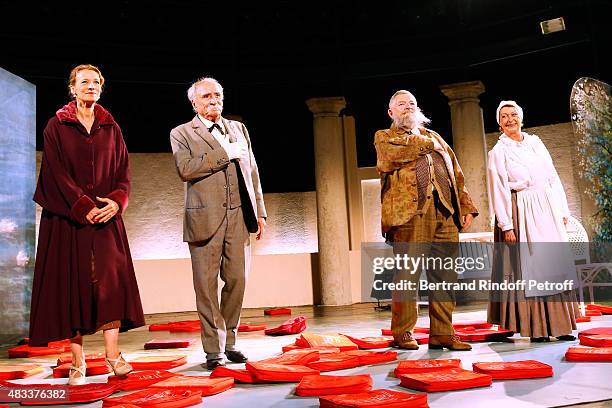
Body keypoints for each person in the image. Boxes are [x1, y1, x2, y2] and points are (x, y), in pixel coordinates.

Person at [30, 64, 144, 385]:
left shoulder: (112, 127)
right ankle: (78, 360)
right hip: (69, 220)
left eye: (96, 82)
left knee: (109, 283)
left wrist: (117, 201)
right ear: (73, 88)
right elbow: (55, 172)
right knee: (74, 285)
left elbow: (123, 170)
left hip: (107, 218)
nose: (91, 86)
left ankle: (112, 355)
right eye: (84, 82)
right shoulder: (56, 125)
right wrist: (82, 206)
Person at [170, 77, 267, 370]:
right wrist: (224, 154)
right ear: (194, 102)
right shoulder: (182, 133)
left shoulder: (238, 129)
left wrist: (260, 211)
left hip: (239, 216)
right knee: (206, 287)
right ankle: (214, 350)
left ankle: (231, 342)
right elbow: (185, 169)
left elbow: (253, 172)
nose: (214, 100)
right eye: (207, 96)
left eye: (218, 95)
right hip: (204, 218)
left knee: (238, 281)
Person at [374, 90, 478, 351]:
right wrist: (422, 143)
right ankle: (403, 332)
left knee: (445, 276)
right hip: (409, 215)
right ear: (391, 112)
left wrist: (464, 207)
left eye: (412, 103)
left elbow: (456, 173)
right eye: (401, 104)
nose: (408, 107)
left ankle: (442, 333)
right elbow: (388, 159)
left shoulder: (436, 137)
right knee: (407, 277)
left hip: (445, 212)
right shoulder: (385, 137)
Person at [487, 100, 580, 341]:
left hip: (547, 208)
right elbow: (497, 189)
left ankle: (559, 326)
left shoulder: (536, 143)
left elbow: (552, 177)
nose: (510, 120)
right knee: (532, 268)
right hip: (522, 208)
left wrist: (562, 210)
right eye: (504, 116)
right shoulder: (498, 152)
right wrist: (506, 225)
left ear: (521, 118)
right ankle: (537, 328)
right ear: (499, 123)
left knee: (553, 264)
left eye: (514, 114)